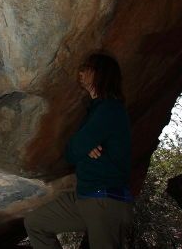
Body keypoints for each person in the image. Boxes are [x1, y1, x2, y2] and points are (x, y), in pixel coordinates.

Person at [24, 53, 133, 249]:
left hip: (105, 199)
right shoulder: (95, 110)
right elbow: (74, 151)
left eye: (87, 68)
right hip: (85, 196)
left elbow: (73, 151)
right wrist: (83, 147)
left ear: (101, 74)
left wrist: (81, 147)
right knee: (35, 223)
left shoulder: (110, 109)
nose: (81, 72)